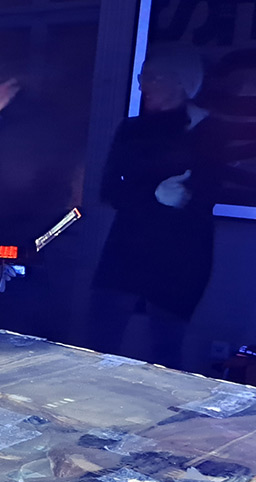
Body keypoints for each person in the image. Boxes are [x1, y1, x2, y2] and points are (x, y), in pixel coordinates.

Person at [86, 48, 219, 370]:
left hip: (181, 255)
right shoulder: (131, 130)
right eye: (142, 76)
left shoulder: (207, 130)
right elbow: (108, 188)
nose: (143, 85)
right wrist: (152, 196)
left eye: (152, 77)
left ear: (181, 82)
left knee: (166, 349)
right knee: (99, 342)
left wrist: (174, 196)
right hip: (127, 249)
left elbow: (208, 190)